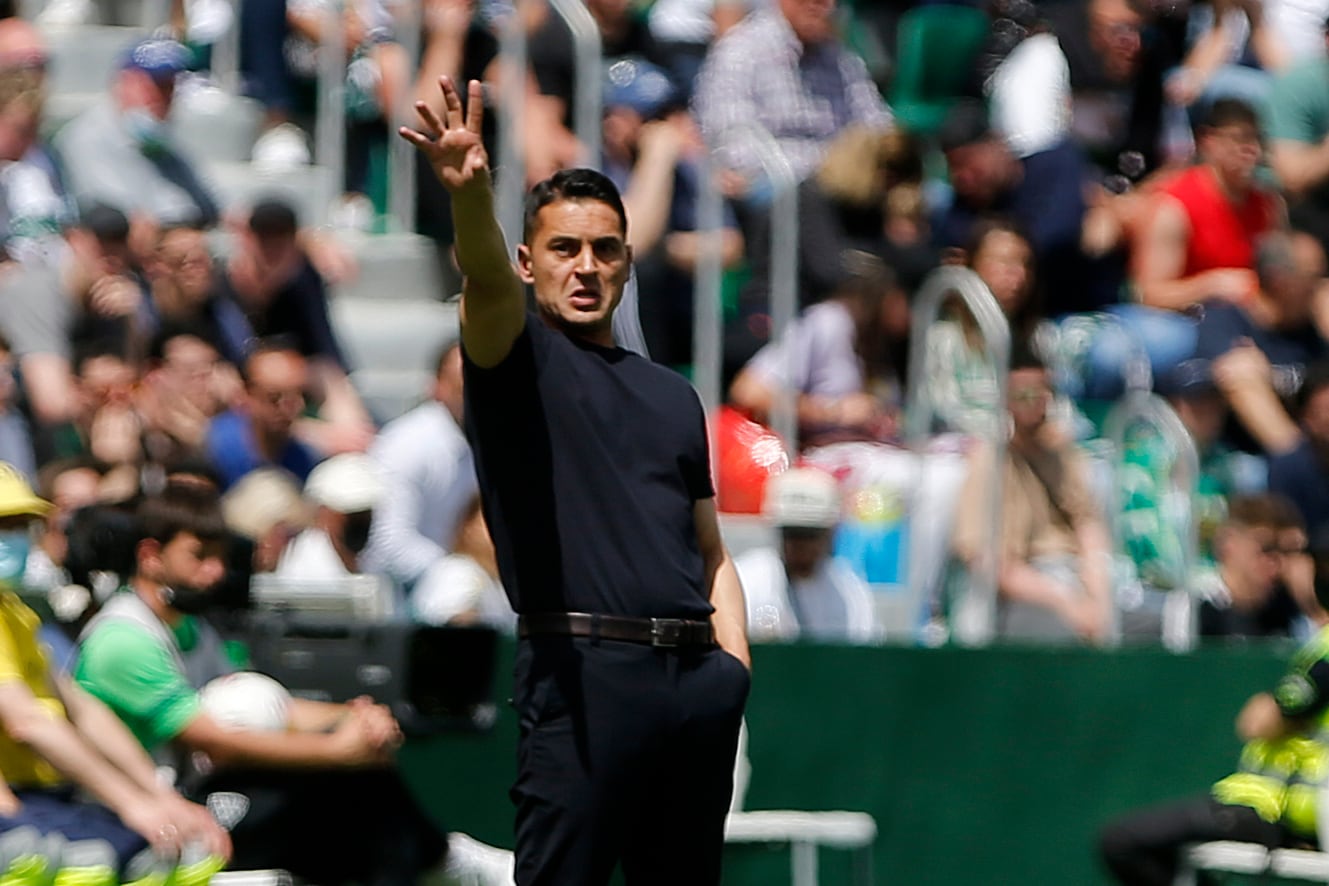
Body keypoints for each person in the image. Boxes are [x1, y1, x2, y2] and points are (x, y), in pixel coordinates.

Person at [401, 76, 751, 884]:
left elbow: (709, 548)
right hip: (583, 675)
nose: (585, 267)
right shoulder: (514, 357)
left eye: (604, 249)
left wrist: (730, 666)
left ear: (628, 260)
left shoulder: (671, 394)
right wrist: (468, 193)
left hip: (696, 685)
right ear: (530, 262)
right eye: (564, 248)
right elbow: (484, 281)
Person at [74, 480, 513, 884]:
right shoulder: (123, 640)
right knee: (329, 795)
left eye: (219, 558)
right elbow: (213, 738)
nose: (213, 573)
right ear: (151, 555)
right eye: (199, 556)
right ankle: (443, 863)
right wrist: (334, 751)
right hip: (149, 815)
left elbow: (269, 705)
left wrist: (353, 718)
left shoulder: (191, 627)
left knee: (354, 785)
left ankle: (442, 862)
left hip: (198, 796)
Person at [0, 464, 232, 884]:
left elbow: (80, 708)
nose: (12, 539)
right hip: (20, 807)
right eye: (2, 525)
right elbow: (28, 722)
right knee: (100, 859)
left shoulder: (14, 613)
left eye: (20, 525)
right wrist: (132, 804)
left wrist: (157, 797)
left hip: (47, 797)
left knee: (157, 852)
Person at [1099, 536, 1329, 884]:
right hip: (1275, 808)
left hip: (1274, 809)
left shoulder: (1324, 651)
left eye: (1303, 561)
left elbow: (1258, 722)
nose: (1290, 570)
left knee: (1121, 841)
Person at [951, 345, 1115, 645]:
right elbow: (987, 562)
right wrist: (1070, 605)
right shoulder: (988, 460)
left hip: (1071, 577)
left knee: (1156, 625)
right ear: (1004, 398)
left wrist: (1099, 598)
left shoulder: (1062, 453)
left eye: (1041, 394)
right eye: (1022, 395)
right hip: (1018, 596)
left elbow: (1089, 526)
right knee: (1059, 636)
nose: (1033, 404)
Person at [361, 339, 478, 592]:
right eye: (464, 388)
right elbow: (389, 545)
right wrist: (460, 573)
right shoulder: (406, 444)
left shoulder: (491, 442)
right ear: (437, 387)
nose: (477, 397)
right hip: (406, 599)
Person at [733, 466, 879, 643]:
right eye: (791, 533)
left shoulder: (848, 592)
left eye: (810, 535)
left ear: (830, 533)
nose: (800, 545)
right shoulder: (746, 581)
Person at [205, 341, 320, 490]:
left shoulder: (302, 456)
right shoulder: (213, 448)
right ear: (246, 393)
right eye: (274, 398)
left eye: (300, 395)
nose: (290, 408)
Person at [274, 452, 383, 579]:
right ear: (323, 513)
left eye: (365, 511)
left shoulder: (375, 562)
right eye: (349, 513)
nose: (360, 520)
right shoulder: (309, 569)